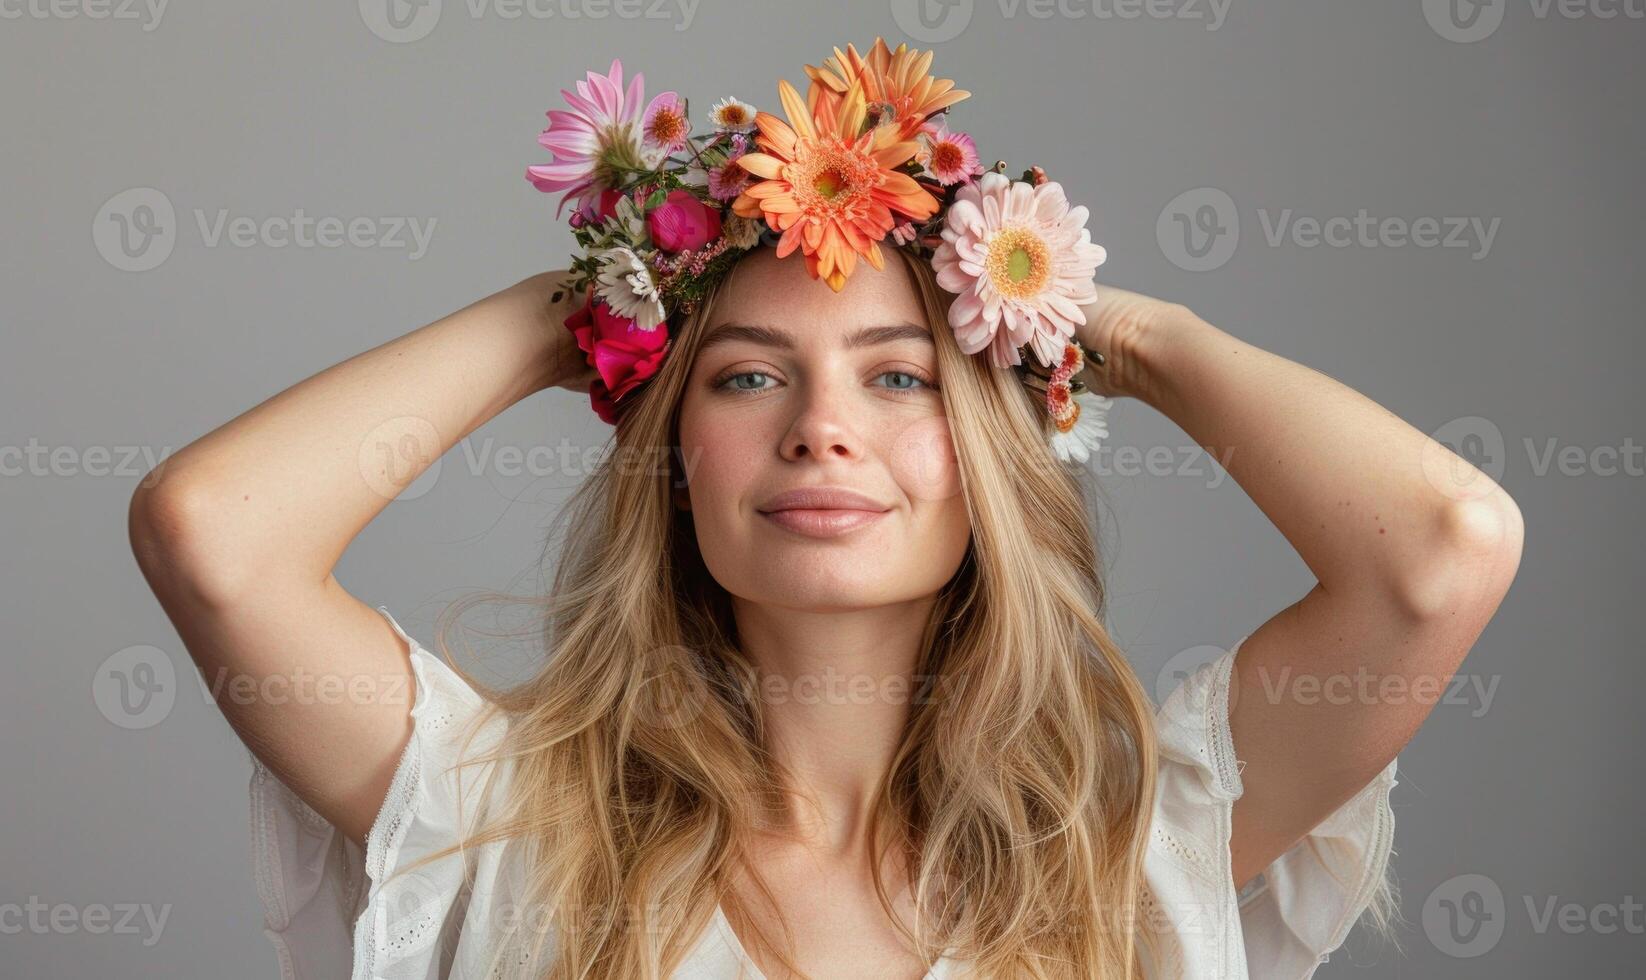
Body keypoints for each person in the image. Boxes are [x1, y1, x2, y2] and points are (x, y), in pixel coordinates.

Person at [127, 40, 1524, 980]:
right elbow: (213, 532)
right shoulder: (499, 824)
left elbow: (1441, 548)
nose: (821, 427)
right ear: (674, 450)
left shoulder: (1136, 849)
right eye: (745, 375)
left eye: (902, 376)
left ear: (990, 448)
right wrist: (604, 302)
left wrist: (1087, 316)